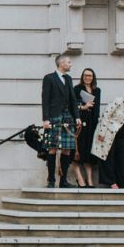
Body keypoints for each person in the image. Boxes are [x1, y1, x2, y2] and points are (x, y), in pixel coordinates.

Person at [41, 52, 81, 188]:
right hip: (54, 117)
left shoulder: (69, 79)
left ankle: (63, 181)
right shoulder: (49, 78)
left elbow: (73, 100)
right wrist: (45, 119)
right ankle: (51, 180)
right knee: (52, 149)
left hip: (68, 117)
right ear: (61, 63)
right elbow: (45, 100)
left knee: (67, 149)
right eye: (69, 62)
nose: (70, 64)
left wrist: (77, 117)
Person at [72, 68, 101, 188]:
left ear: (93, 77)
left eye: (90, 75)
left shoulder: (97, 90)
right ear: (82, 76)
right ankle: (79, 178)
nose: (87, 77)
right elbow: (72, 105)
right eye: (85, 75)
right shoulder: (77, 89)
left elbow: (97, 107)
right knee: (78, 151)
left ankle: (89, 179)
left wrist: (98, 124)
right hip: (80, 123)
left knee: (89, 152)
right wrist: (83, 107)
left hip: (92, 123)